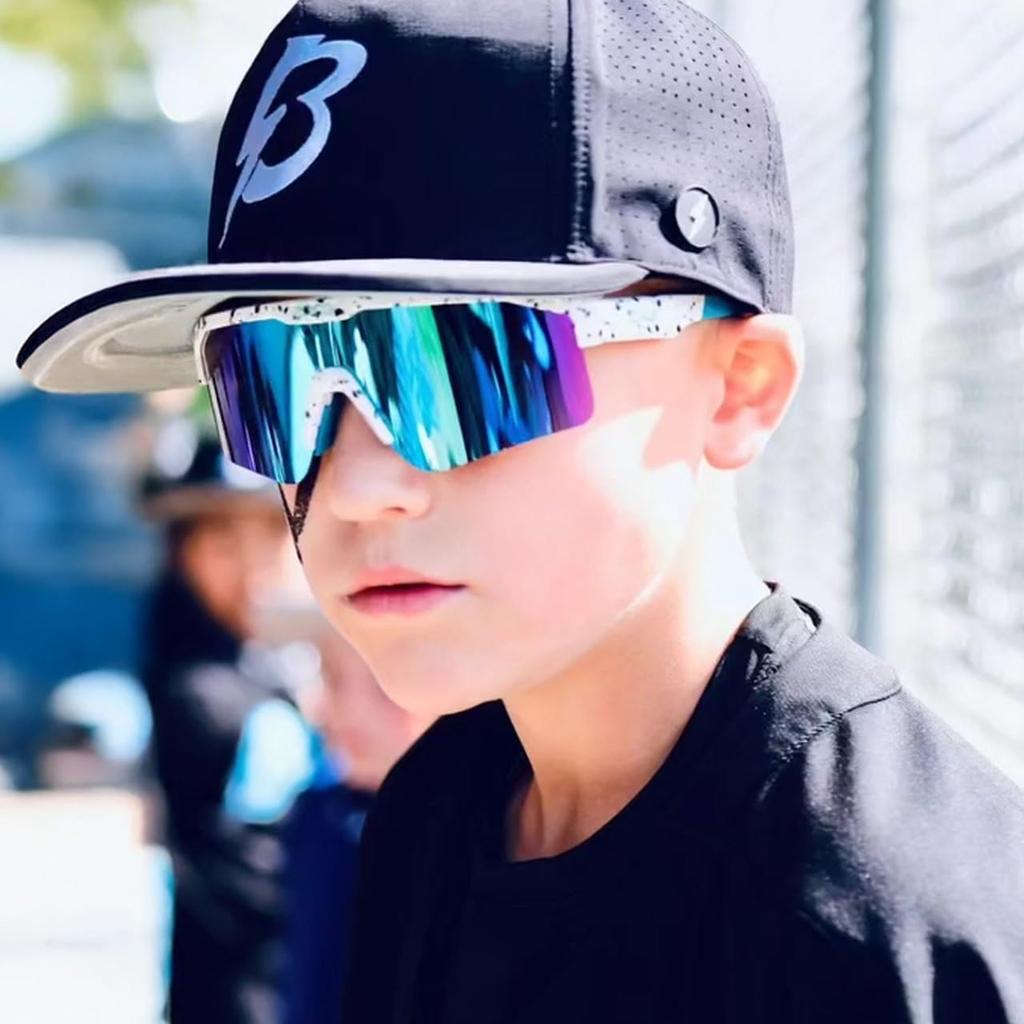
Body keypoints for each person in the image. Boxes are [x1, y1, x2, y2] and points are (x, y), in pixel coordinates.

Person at [16, 1, 1024, 1020]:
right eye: (269, 387)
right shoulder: (438, 806)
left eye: (458, 369)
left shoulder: (900, 931)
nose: (355, 485)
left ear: (737, 388)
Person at [137, 429, 307, 1023]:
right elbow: (245, 880)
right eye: (223, 540)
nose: (251, 564)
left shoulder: (275, 667)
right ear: (183, 553)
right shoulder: (202, 696)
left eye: (268, 533)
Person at [282, 628, 431, 1024]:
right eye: (333, 680)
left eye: (385, 687)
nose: (351, 711)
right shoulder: (316, 811)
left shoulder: (458, 827)